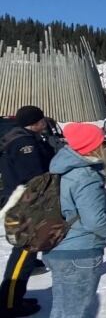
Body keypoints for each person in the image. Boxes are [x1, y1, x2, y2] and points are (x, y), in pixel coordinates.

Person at [45, 123, 106, 318]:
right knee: (76, 312)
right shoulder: (85, 176)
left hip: (58, 247)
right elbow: (95, 219)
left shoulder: (60, 168)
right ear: (93, 147)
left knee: (62, 309)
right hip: (80, 252)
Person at [0, 106, 55, 317]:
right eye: (42, 120)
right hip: (26, 204)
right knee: (25, 253)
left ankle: (13, 297)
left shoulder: (24, 138)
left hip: (25, 201)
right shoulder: (25, 144)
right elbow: (34, 177)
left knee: (27, 252)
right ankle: (9, 303)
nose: (45, 123)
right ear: (35, 122)